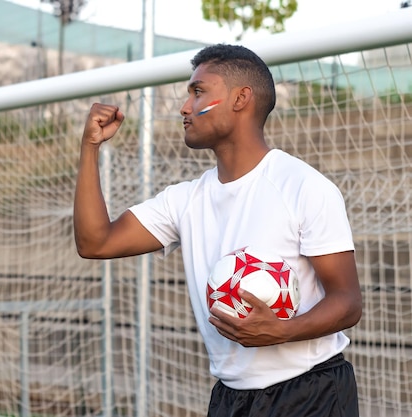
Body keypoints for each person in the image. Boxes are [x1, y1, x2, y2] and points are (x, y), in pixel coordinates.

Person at [73, 44, 363, 416]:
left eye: (198, 92)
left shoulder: (303, 186)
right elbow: (95, 242)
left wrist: (281, 332)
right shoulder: (184, 200)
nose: (184, 107)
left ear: (241, 99)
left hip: (311, 391)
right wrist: (89, 147)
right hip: (230, 397)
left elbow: (348, 301)